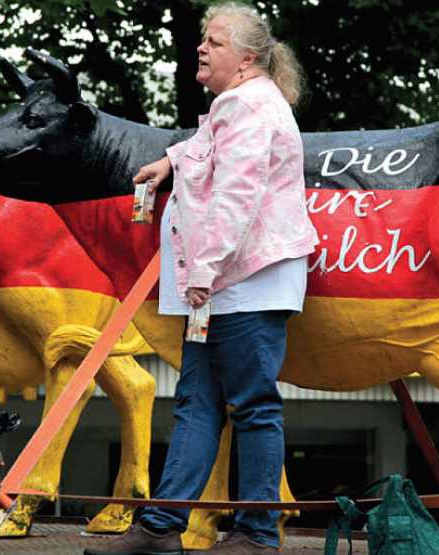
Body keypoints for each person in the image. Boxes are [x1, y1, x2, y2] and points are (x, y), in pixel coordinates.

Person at [85, 3, 317, 555]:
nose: (201, 48)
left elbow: (238, 193)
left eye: (213, 41)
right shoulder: (237, 105)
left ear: (246, 58)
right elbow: (210, 145)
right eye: (203, 40)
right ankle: (161, 527)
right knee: (195, 401)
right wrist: (170, 160)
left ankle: (257, 533)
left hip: (239, 280)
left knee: (252, 404)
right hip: (223, 282)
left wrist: (204, 271)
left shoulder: (250, 107)